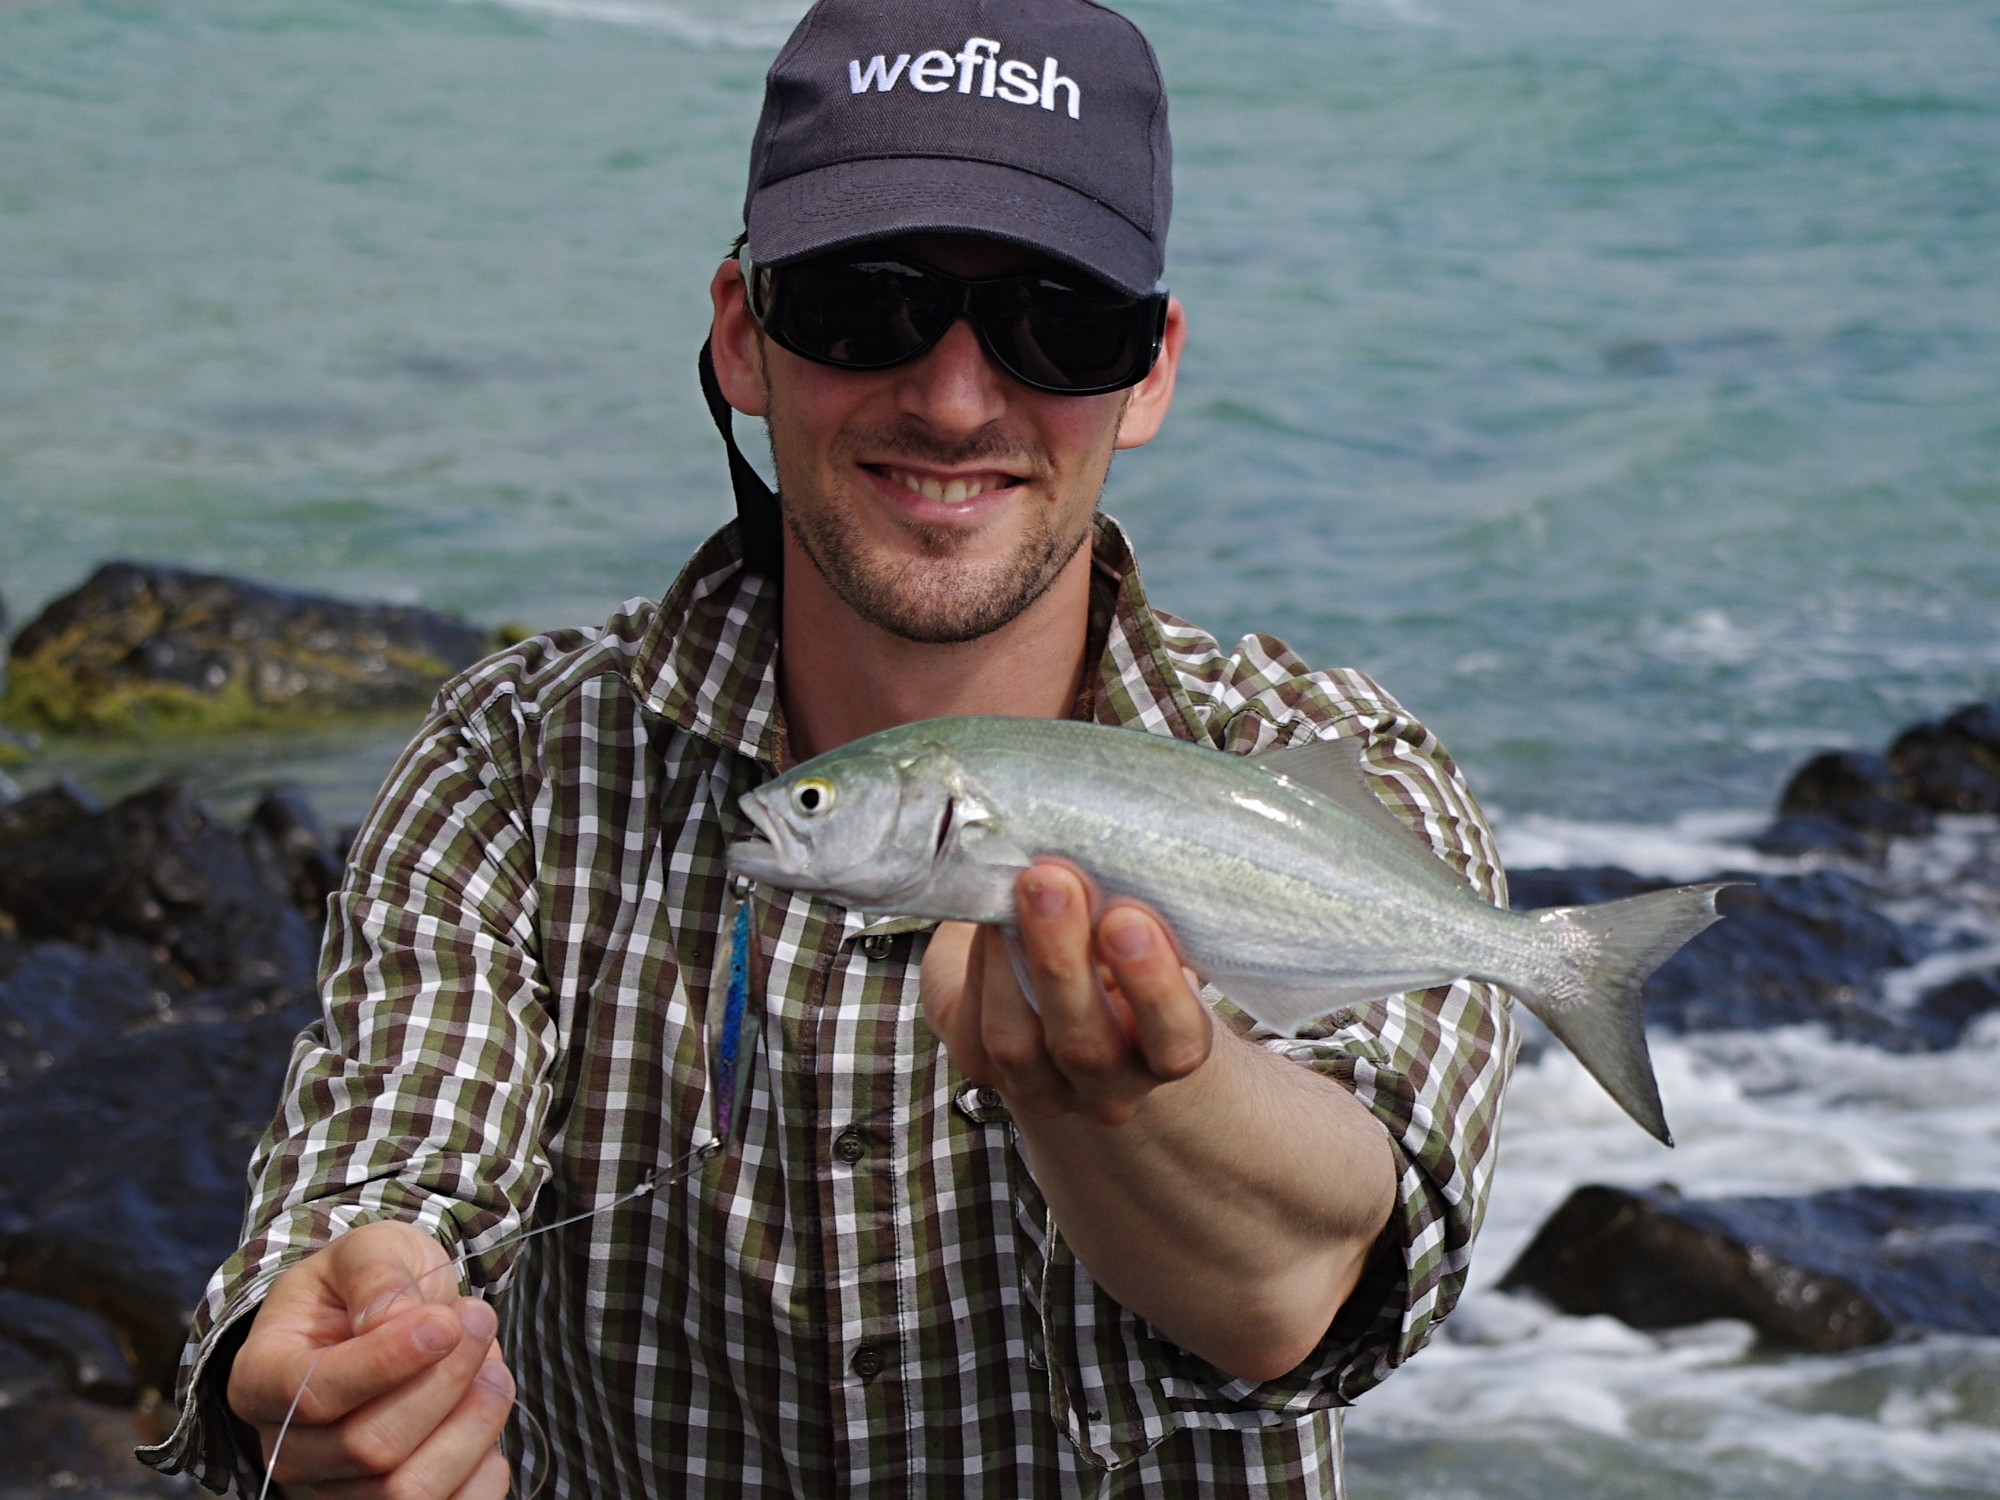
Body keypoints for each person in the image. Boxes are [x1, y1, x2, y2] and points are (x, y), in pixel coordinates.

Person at [140, 0, 1515, 1494]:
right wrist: (346, 1356)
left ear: (1152, 367)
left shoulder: (1335, 762)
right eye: (869, 303)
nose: (953, 396)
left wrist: (1143, 1099)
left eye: (1060, 320)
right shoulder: (514, 766)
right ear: (743, 330)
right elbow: (388, 1160)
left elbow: (1319, 1276)